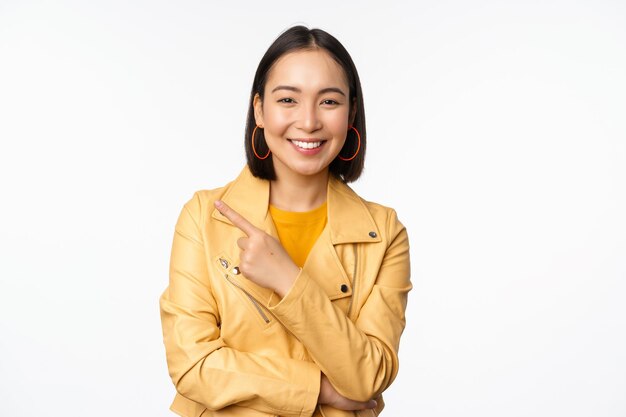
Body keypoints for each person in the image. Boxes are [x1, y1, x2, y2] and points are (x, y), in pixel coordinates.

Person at [159, 25, 412, 417]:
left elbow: (368, 377)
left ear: (352, 113)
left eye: (329, 102)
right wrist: (320, 389)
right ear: (259, 109)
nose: (308, 121)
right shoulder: (203, 218)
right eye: (288, 100)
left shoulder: (383, 234)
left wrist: (287, 279)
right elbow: (193, 365)